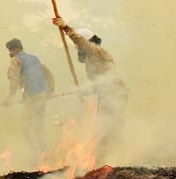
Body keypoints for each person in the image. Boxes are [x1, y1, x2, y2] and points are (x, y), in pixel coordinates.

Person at [52, 17, 129, 161]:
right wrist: (80, 90)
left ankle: (110, 158)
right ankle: (110, 157)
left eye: (79, 48)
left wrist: (65, 27)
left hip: (114, 93)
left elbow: (80, 41)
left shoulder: (94, 50)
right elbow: (99, 84)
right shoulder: (93, 58)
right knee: (107, 125)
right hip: (110, 93)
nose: (78, 50)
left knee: (108, 126)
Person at [2, 38, 54, 162]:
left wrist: (9, 98)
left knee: (25, 126)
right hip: (42, 95)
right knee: (38, 127)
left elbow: (14, 80)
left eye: (10, 50)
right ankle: (45, 153)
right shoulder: (35, 58)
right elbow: (48, 73)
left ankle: (36, 154)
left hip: (32, 97)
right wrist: (50, 90)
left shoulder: (16, 60)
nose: (9, 53)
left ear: (15, 49)